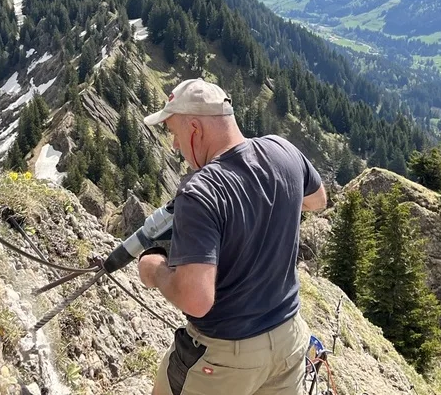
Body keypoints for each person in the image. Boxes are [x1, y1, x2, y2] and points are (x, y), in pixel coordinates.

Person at [139, 77, 327, 395]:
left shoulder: (200, 191)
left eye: (174, 133)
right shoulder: (283, 151)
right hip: (290, 339)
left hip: (225, 357)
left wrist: (154, 269)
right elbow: (317, 200)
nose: (174, 145)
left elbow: (196, 300)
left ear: (195, 129)